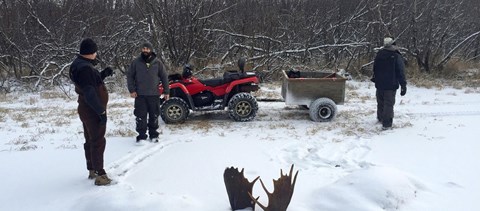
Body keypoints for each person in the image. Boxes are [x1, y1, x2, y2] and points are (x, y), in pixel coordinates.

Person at [69, 38, 114, 185]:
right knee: (98, 141)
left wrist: (103, 74)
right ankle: (101, 175)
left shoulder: (79, 65)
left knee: (90, 139)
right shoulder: (85, 68)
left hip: (85, 108)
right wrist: (100, 112)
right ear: (90, 53)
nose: (96, 54)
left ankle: (92, 169)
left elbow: (88, 82)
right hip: (92, 110)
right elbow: (89, 92)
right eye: (94, 51)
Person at [127, 42, 170, 144]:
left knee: (154, 115)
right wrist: (132, 90)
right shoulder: (136, 62)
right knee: (140, 116)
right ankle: (141, 136)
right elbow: (130, 76)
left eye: (147, 49)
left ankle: (153, 134)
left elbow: (164, 77)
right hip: (140, 95)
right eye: (143, 48)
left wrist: (166, 91)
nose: (145, 50)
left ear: (151, 50)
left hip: (154, 94)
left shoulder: (158, 63)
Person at [371, 37, 407, 130]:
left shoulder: (379, 54)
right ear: (393, 44)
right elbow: (401, 71)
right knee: (389, 104)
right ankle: (386, 124)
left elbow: (374, 68)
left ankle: (380, 118)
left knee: (380, 102)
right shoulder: (396, 55)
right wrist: (403, 85)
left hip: (379, 84)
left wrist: (375, 79)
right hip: (391, 84)